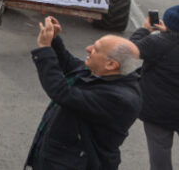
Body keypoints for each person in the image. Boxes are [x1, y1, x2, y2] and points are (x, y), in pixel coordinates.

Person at [26, 16, 141, 170]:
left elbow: (61, 92)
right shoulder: (105, 74)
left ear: (111, 64)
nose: (88, 48)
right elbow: (69, 64)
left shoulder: (120, 99)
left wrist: (44, 50)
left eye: (96, 49)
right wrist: (54, 40)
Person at [129, 5, 179, 170]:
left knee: (160, 158)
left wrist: (144, 29)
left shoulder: (158, 42)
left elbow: (129, 49)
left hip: (158, 111)